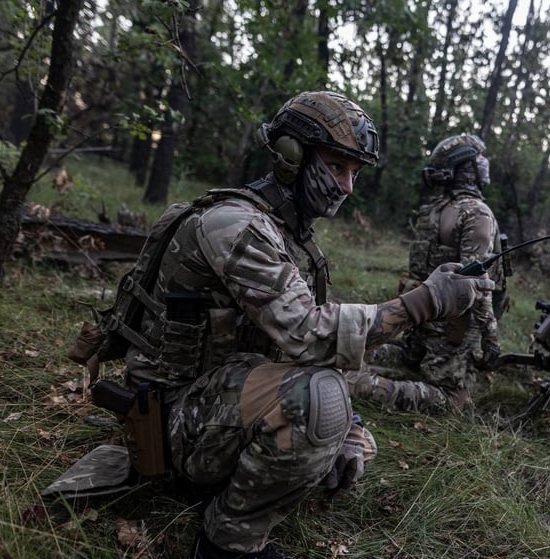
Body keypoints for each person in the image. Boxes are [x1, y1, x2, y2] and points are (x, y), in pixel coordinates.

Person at [115, 92, 493, 559]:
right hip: (168, 423)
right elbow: (309, 333)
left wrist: (350, 427)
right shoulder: (235, 225)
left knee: (350, 428)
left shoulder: (286, 235)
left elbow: (306, 348)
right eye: (337, 166)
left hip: (210, 402)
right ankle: (228, 542)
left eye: (355, 172)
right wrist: (424, 302)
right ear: (293, 154)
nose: (348, 186)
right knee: (318, 402)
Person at [346, 133, 509, 414]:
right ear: (472, 168)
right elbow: (478, 284)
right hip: (450, 331)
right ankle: (360, 385)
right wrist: (491, 340)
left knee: (410, 361)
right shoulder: (477, 214)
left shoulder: (432, 211)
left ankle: (351, 353)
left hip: (420, 320)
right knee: (454, 402)